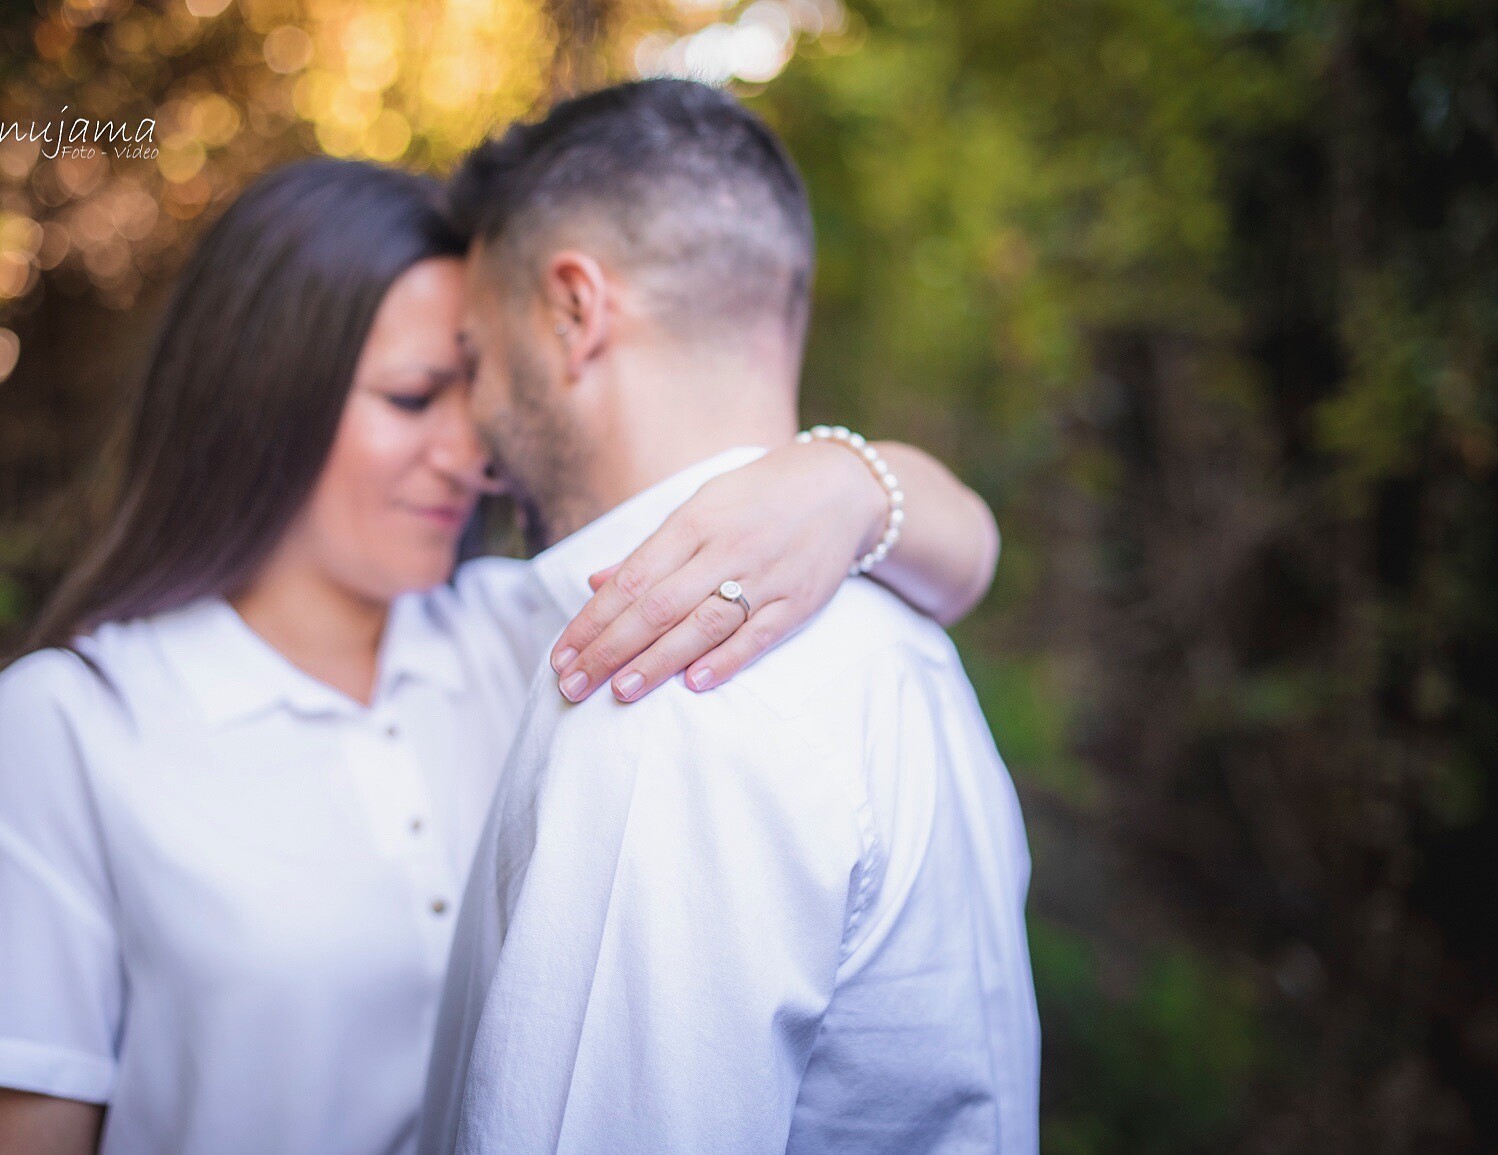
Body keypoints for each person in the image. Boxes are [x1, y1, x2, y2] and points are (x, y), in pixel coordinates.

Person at [0, 158, 1001, 1154]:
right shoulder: (67, 729)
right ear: (263, 393)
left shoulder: (542, 631)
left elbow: (964, 562)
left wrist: (849, 483)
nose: (469, 453)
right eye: (414, 397)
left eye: (471, 390)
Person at [418, 79, 1040, 1155]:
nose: (468, 435)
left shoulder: (657, 672)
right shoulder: (903, 643)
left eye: (472, 360)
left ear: (574, 314)